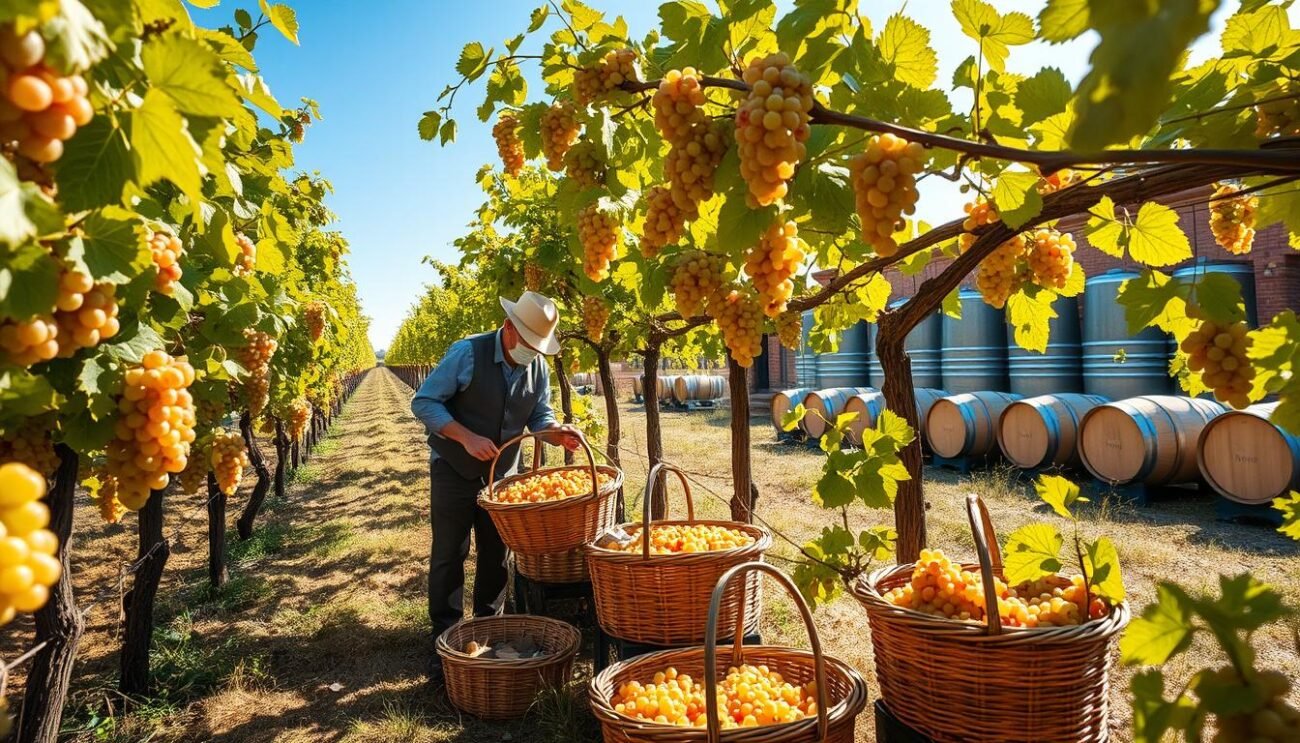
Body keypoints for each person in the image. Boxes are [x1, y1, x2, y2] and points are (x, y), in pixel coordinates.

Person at [410, 291, 580, 681]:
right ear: (508, 328)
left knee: (495, 555)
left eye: (538, 347)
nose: (531, 353)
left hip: (501, 477)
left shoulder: (537, 367)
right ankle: (444, 637)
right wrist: (464, 436)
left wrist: (557, 434)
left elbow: (540, 416)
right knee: (449, 553)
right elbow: (425, 402)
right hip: (453, 468)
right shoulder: (467, 353)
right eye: (527, 343)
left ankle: (488, 630)